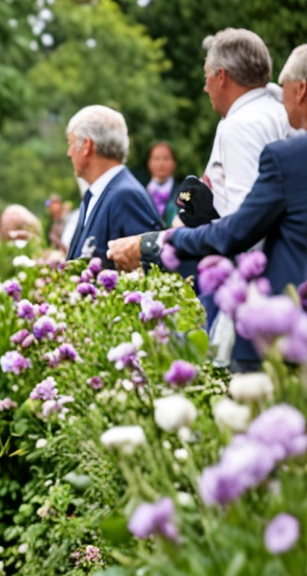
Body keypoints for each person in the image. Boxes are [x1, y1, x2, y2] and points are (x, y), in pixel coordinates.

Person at [109, 44, 307, 373]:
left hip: (277, 317)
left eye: (285, 93)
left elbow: (241, 230)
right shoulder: (274, 123)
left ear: (300, 91)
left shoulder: (265, 139)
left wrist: (159, 242)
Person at [200, 29, 297, 219]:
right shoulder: (280, 112)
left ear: (221, 76)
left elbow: (244, 222)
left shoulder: (242, 124)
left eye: (206, 77)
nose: (205, 88)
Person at [63, 105, 161, 261]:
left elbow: (147, 268)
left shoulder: (126, 196)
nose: (69, 153)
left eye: (71, 143)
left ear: (86, 146)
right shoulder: (96, 194)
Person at [145, 142, 180, 226]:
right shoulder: (142, 193)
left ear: (174, 163)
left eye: (166, 158)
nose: (161, 164)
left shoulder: (182, 193)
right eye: (156, 158)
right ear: (149, 163)